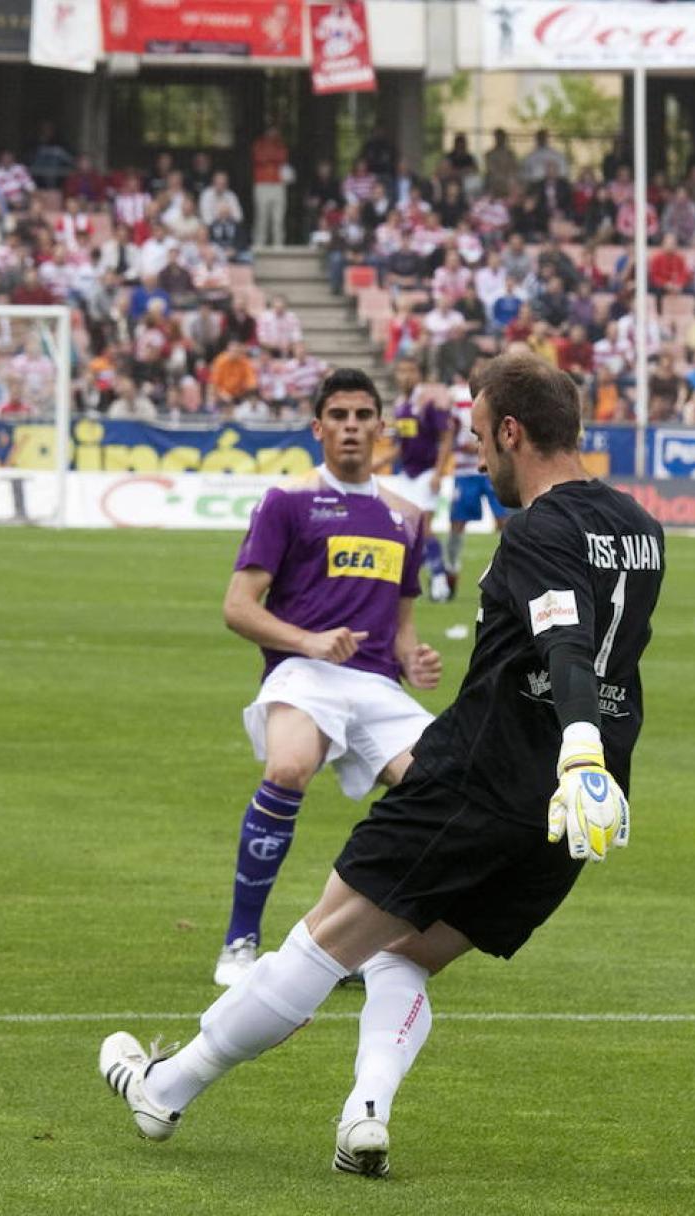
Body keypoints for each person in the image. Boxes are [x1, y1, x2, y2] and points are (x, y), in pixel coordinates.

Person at [97, 354, 666, 1178]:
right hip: (573, 812)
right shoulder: (642, 528)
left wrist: (577, 748)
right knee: (404, 955)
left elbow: (567, 641)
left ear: (513, 431)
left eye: (477, 435)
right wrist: (590, 762)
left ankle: (167, 1087)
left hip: (484, 778)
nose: (474, 455)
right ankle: (366, 1114)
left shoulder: (537, 531)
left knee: (321, 944)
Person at [210, 367, 444, 987]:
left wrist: (413, 659)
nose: (350, 428)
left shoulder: (407, 517)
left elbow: (401, 626)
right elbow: (239, 607)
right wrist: (307, 640)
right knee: (287, 768)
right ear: (318, 428)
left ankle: (347, 943)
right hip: (303, 673)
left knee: (444, 790)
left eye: (362, 416)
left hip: (374, 687)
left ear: (380, 427)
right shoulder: (286, 502)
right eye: (338, 417)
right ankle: (240, 942)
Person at [375, 357, 455, 601]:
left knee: (425, 528)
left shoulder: (428, 402)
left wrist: (439, 472)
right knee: (408, 531)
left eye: (410, 371)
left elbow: (446, 436)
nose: (405, 376)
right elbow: (402, 445)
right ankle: (414, 581)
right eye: (401, 371)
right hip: (407, 475)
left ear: (418, 374)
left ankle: (440, 581)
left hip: (427, 472)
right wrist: (377, 463)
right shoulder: (400, 405)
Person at [444, 380, 504, 609]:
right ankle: (451, 576)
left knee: (505, 522)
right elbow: (451, 435)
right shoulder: (456, 398)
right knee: (457, 524)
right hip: (465, 471)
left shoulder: (497, 398)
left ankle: (511, 573)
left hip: (491, 469)